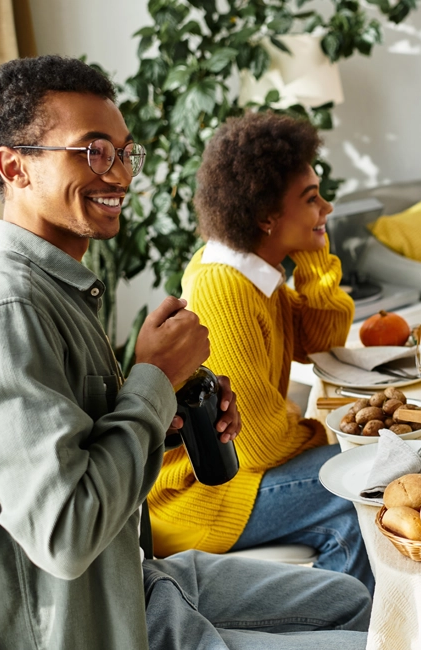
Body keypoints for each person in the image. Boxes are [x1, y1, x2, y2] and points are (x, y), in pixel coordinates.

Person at [0, 55, 370, 649]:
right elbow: (65, 531)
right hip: (91, 626)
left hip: (133, 581)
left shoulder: (60, 291)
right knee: (378, 642)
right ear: (16, 167)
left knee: (354, 601)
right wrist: (153, 379)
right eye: (91, 151)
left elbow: (77, 450)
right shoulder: (6, 314)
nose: (119, 174)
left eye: (122, 152)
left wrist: (173, 419)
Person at [146, 111, 373, 590]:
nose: (327, 208)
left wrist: (313, 256)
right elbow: (260, 444)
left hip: (235, 478)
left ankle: (350, 629)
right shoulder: (222, 288)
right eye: (311, 200)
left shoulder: (253, 275)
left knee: (369, 475)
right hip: (205, 493)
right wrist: (332, 438)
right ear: (266, 216)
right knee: (360, 484)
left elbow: (321, 341)